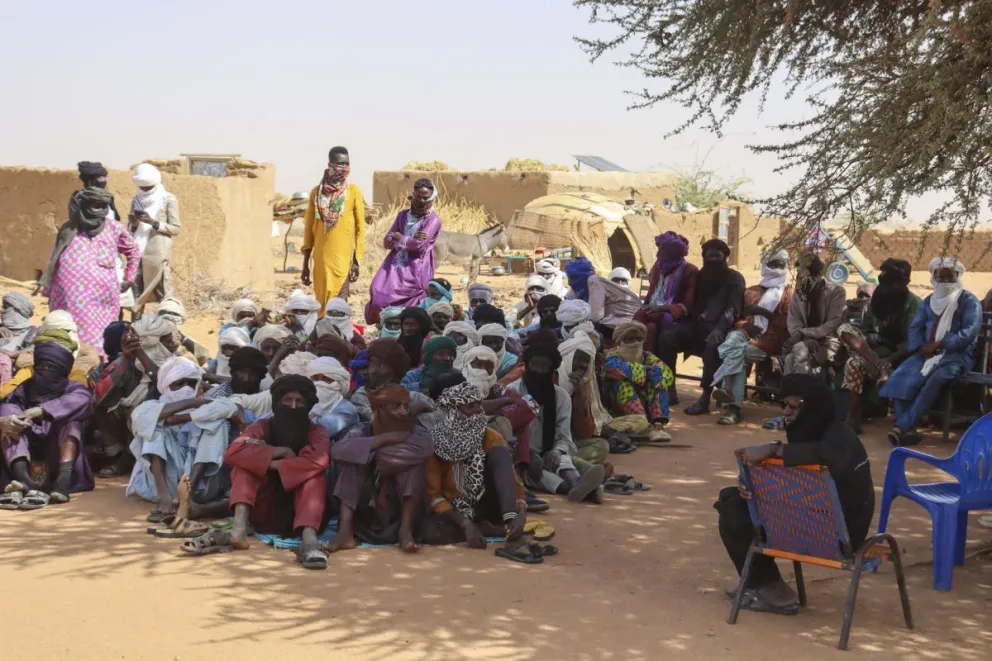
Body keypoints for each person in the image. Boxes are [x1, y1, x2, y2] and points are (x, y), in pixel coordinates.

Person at [716, 374, 873, 615]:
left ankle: (767, 586)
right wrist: (751, 483)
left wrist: (773, 449)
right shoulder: (816, 432)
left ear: (811, 407)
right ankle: (767, 586)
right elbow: (798, 484)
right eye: (785, 405)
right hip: (816, 525)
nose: (786, 413)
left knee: (733, 509)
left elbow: (824, 457)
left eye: (793, 406)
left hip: (841, 536)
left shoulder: (839, 438)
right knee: (733, 499)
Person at [183, 376, 331, 568]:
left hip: (300, 511)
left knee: (313, 477)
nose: (293, 407)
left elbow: (317, 462)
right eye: (287, 400)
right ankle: (238, 531)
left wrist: (265, 458)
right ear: (277, 402)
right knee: (244, 466)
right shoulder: (262, 427)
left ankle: (310, 541)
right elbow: (233, 452)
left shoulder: (317, 431)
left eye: (299, 401)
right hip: (263, 509)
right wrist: (278, 457)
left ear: (308, 405)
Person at [880, 258, 981, 446]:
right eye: (940, 276)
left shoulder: (969, 302)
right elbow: (915, 328)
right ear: (934, 278)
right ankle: (908, 430)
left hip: (956, 356)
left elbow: (968, 333)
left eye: (949, 276)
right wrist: (920, 348)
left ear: (957, 276)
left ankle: (902, 426)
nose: (945, 280)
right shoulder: (929, 302)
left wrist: (940, 344)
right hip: (925, 353)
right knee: (900, 376)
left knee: (937, 377)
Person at [328, 384, 433, 552]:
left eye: (406, 406)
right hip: (366, 511)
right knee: (352, 464)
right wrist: (386, 438)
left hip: (398, 509)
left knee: (412, 467)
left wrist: (366, 453)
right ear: (379, 410)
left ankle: (405, 531)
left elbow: (424, 449)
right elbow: (337, 450)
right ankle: (345, 531)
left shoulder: (416, 431)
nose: (403, 412)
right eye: (396, 406)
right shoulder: (361, 430)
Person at [422, 381, 527, 547]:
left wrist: (520, 513)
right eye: (470, 406)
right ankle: (485, 528)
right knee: (431, 534)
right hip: (455, 510)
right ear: (454, 412)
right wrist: (465, 523)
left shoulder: (490, 436)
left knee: (500, 453)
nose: (479, 410)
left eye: (479, 404)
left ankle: (509, 521)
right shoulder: (435, 442)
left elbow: (515, 485)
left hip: (488, 504)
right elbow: (434, 495)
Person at [127, 356, 232, 522]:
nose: (186, 388)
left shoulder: (207, 406)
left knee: (216, 423)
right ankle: (164, 496)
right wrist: (191, 403)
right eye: (179, 383)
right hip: (162, 486)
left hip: (201, 489)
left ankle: (188, 496)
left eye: (191, 383)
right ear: (166, 386)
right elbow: (143, 419)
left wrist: (195, 409)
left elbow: (231, 408)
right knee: (153, 424)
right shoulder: (149, 406)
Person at [39, 187, 140, 348]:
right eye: (94, 205)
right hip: (68, 298)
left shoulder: (114, 228)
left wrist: (129, 277)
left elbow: (133, 251)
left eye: (101, 206)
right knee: (68, 333)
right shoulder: (69, 229)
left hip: (102, 299)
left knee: (103, 336)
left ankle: (99, 365)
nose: (98, 210)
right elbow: (54, 258)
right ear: (83, 206)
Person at [506, 342, 605, 503]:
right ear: (527, 366)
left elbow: (564, 436)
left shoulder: (561, 397)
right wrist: (528, 455)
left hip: (548, 453)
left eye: (544, 366)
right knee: (527, 472)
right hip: (520, 454)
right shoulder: (512, 391)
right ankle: (583, 490)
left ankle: (576, 483)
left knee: (562, 458)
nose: (538, 370)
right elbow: (508, 434)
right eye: (534, 364)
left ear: (552, 369)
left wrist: (556, 451)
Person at [0, 340, 93, 508]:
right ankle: (24, 480)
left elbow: (83, 400)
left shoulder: (74, 389)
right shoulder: (22, 389)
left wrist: (42, 411)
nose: (46, 372)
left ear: (64, 372)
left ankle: (63, 482)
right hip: (24, 452)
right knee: (7, 415)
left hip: (56, 455)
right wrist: (6, 422)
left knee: (71, 420)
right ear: (35, 368)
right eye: (42, 367)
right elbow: (8, 407)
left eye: (52, 368)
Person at [656, 239, 745, 415]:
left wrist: (720, 329)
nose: (712, 262)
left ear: (725, 258)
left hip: (721, 328)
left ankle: (705, 397)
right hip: (696, 326)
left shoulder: (735, 279)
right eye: (709, 258)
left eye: (717, 258)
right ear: (704, 258)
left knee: (712, 345)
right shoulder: (701, 276)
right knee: (667, 337)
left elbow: (732, 310)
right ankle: (670, 389)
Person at [836, 259, 920, 431]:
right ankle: (880, 368)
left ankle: (852, 415)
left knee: (854, 363)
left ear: (899, 282)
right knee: (844, 328)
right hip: (872, 351)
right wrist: (870, 337)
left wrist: (890, 358)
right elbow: (865, 328)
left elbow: (913, 341)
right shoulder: (879, 298)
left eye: (886, 276)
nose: (881, 278)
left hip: (897, 356)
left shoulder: (913, 304)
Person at [711, 250, 792, 425]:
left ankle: (731, 404)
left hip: (771, 339)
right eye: (773, 264)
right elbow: (739, 318)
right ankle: (731, 400)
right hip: (747, 334)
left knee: (737, 352)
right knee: (732, 344)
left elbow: (787, 324)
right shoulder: (751, 292)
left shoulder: (788, 293)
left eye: (780, 265)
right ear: (764, 265)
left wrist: (763, 313)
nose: (777, 269)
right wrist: (746, 325)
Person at [365, 178, 443, 324]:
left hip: (416, 267)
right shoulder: (403, 215)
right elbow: (387, 241)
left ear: (431, 199)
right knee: (378, 291)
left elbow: (419, 246)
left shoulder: (432, 221)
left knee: (411, 303)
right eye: (418, 196)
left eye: (425, 197)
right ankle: (385, 325)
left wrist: (399, 237)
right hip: (394, 265)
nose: (421, 200)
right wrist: (407, 240)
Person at [300, 147, 366, 313]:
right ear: (330, 164)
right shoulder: (317, 193)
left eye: (347, 164)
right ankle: (324, 335)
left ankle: (338, 337)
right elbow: (309, 229)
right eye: (340, 164)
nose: (344, 167)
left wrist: (356, 260)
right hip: (321, 259)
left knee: (339, 307)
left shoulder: (353, 191)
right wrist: (305, 264)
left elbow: (360, 228)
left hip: (343, 261)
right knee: (321, 303)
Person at [603, 321, 672, 439]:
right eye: (629, 339)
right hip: (616, 409)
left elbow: (666, 375)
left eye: (638, 339)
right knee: (622, 382)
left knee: (658, 384)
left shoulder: (647, 356)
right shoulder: (611, 356)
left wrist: (642, 374)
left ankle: (657, 424)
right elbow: (615, 368)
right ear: (620, 341)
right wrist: (645, 371)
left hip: (644, 403)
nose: (635, 343)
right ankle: (642, 423)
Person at [635, 231, 699, 356]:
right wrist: (648, 306)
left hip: (677, 317)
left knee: (657, 329)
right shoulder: (657, 267)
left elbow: (688, 305)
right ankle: (650, 366)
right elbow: (651, 295)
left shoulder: (690, 271)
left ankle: (654, 366)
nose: (658, 253)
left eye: (663, 250)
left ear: (673, 252)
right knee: (648, 327)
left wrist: (663, 307)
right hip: (654, 311)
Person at [782, 255, 846, 376]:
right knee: (790, 359)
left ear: (816, 276)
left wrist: (805, 333)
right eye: (799, 276)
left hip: (828, 342)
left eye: (804, 277)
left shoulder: (836, 292)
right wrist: (806, 338)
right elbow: (793, 322)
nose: (799, 280)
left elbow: (832, 324)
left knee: (799, 351)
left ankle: (803, 393)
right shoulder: (799, 294)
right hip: (804, 341)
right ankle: (792, 393)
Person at [130, 163, 181, 304]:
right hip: (138, 253)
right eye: (142, 188)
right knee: (136, 296)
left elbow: (176, 228)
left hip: (158, 255)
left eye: (148, 187)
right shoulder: (136, 200)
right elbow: (132, 230)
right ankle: (136, 324)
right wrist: (133, 224)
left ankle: (167, 323)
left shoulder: (168, 199)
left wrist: (153, 222)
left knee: (164, 295)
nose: (145, 190)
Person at [557, 333, 614, 461]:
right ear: (568, 356)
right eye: (579, 359)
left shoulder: (582, 386)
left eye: (587, 362)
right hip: (544, 442)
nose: (583, 366)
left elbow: (584, 433)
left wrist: (580, 392)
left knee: (602, 446)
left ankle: (565, 463)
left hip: (567, 442)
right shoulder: (552, 377)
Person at [351, 339, 433, 424]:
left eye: (381, 365)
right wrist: (413, 409)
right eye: (371, 364)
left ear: (395, 370)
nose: (373, 370)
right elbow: (380, 423)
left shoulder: (413, 395)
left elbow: (439, 416)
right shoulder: (361, 398)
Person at [305, 356, 359, 440]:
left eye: (327, 379)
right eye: (315, 378)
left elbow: (317, 431)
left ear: (338, 382)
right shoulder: (300, 401)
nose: (320, 383)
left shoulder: (346, 409)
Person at [156, 297, 211, 365]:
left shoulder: (184, 340)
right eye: (164, 312)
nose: (169, 316)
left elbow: (203, 356)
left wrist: (182, 337)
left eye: (173, 313)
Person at [588, 266, 641, 333]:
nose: (620, 283)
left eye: (623, 281)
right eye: (616, 280)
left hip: (628, 330)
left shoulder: (635, 297)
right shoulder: (602, 294)